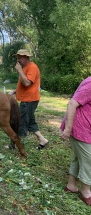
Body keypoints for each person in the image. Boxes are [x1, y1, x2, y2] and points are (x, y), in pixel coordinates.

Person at [60, 76, 91, 206]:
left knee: (79, 157)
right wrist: (67, 129)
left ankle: (71, 185)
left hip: (86, 128)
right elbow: (72, 103)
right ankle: (86, 192)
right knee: (89, 159)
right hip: (79, 127)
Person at [9, 49, 48, 149]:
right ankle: (42, 140)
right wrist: (14, 91)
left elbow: (27, 83)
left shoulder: (32, 67)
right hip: (27, 99)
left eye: (20, 58)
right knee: (30, 121)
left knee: (20, 121)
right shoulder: (25, 67)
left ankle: (15, 144)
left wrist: (19, 70)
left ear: (26, 57)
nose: (18, 60)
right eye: (17, 58)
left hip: (29, 100)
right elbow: (23, 83)